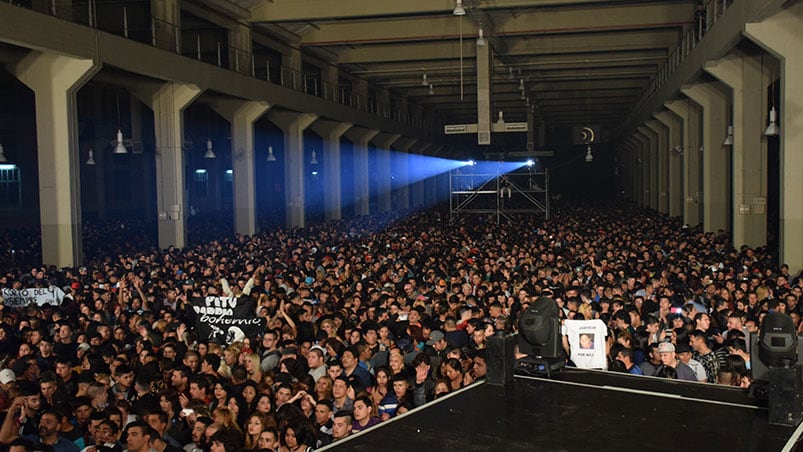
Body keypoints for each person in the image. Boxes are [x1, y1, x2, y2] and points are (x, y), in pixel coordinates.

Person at [0, 400, 80, 452]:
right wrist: (11, 411)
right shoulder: (29, 441)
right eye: (41, 421)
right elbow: (4, 438)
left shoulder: (69, 448)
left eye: (48, 422)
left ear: (58, 426)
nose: (42, 425)